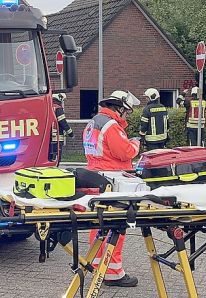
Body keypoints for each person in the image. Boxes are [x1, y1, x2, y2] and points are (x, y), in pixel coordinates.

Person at [82, 90, 142, 287]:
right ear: (120, 108)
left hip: (97, 178)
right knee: (116, 226)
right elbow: (124, 153)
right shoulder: (111, 126)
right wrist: (135, 143)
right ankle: (113, 273)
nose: (127, 116)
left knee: (98, 226)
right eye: (127, 112)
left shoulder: (93, 123)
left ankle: (98, 267)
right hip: (113, 181)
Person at [51, 93, 72, 160]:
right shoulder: (58, 109)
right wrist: (71, 133)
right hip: (57, 137)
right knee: (56, 157)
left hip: (48, 137)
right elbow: (63, 122)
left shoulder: (48, 107)